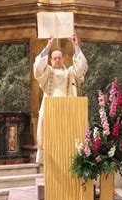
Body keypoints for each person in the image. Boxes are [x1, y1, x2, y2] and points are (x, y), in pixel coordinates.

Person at [33, 33, 88, 164]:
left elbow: (80, 68)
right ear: (51, 60)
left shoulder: (70, 72)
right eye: (55, 58)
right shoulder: (48, 73)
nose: (57, 60)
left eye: (59, 58)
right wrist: (48, 46)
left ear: (63, 59)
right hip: (51, 112)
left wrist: (75, 45)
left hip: (69, 112)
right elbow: (38, 68)